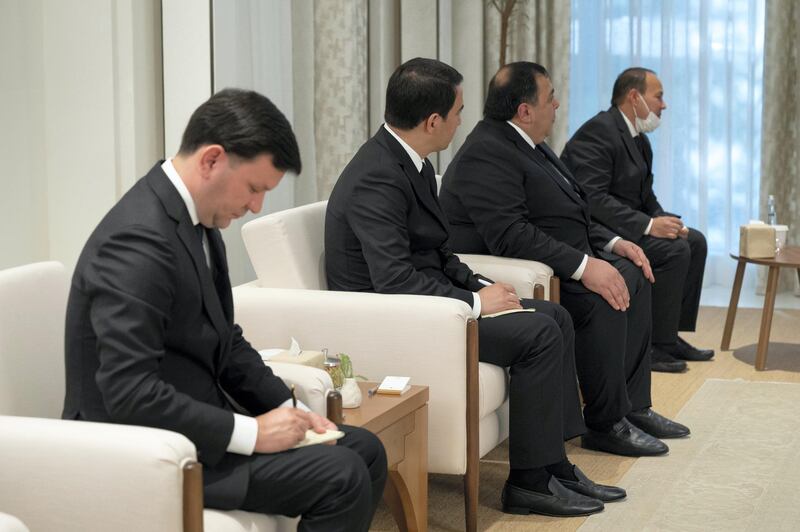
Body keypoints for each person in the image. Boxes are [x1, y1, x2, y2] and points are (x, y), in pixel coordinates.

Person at [62, 88, 386, 531]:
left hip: (195, 427)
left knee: (364, 449)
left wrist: (288, 407)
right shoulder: (137, 242)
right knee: (341, 475)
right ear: (212, 159)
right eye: (254, 188)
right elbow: (128, 392)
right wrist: (253, 433)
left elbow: (224, 340)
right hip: (143, 449)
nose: (256, 206)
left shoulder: (196, 218)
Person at [325, 57, 622, 517]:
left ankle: (552, 467)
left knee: (554, 316)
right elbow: (393, 279)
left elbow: (439, 254)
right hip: (398, 319)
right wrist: (472, 302)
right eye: (459, 111)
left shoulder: (414, 161)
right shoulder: (376, 176)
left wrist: (483, 284)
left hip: (430, 303)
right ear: (433, 120)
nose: (464, 121)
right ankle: (526, 484)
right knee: (539, 333)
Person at [440, 61, 689, 458]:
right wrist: (585, 266)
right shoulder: (487, 151)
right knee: (605, 293)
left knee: (635, 271)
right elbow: (511, 235)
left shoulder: (530, 143)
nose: (557, 106)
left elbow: (573, 210)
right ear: (524, 110)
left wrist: (613, 244)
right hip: (519, 270)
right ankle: (605, 423)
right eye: (551, 98)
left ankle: (633, 407)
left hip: (561, 255)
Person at [561, 67, 713, 373]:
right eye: (658, 96)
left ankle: (668, 336)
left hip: (626, 224)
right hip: (600, 231)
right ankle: (654, 347)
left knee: (693, 240)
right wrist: (648, 226)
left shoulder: (639, 139)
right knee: (674, 251)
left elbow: (646, 196)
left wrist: (662, 219)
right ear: (634, 97)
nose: (663, 104)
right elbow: (592, 197)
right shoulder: (598, 131)